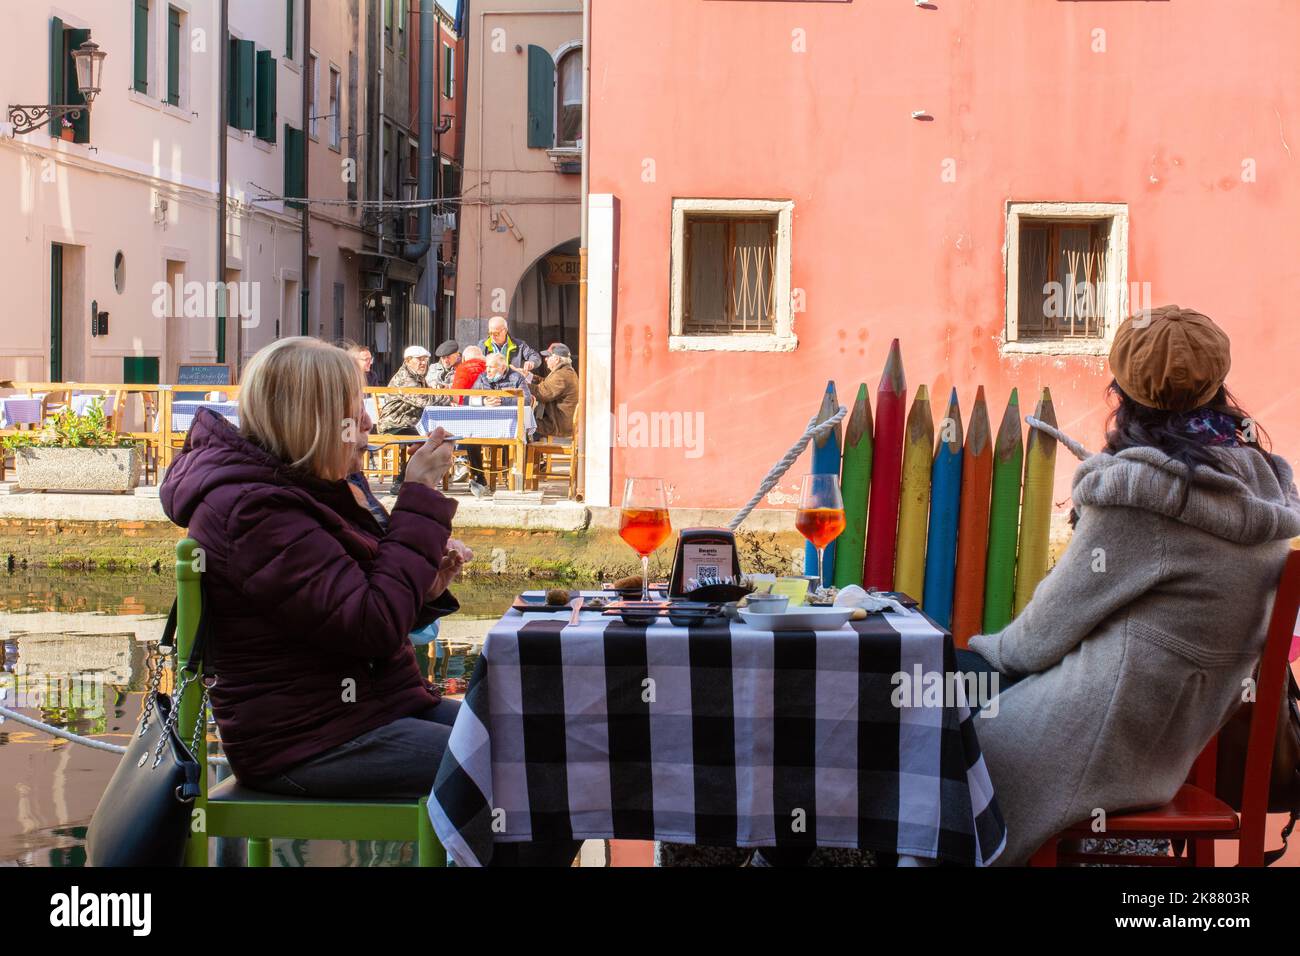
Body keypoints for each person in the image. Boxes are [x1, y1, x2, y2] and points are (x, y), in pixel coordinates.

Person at [158, 338, 579, 866]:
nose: (367, 420)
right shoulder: (253, 510)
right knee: (528, 771)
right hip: (309, 742)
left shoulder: (300, 488)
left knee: (549, 749)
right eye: (352, 408)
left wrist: (421, 591)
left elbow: (356, 609)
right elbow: (371, 623)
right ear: (311, 419)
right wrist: (419, 497)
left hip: (365, 714)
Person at [958, 306, 1300, 866]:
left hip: (1097, 737)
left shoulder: (1144, 494)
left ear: (1125, 387)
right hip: (1167, 743)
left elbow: (1038, 638)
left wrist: (979, 653)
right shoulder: (1262, 486)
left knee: (930, 720)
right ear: (1218, 383)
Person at [462, 353, 533, 498]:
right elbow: (467, 398)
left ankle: (511, 477)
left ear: (502, 368)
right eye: (486, 367)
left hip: (508, 424)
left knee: (513, 436)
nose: (487, 370)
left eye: (491, 367)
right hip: (485, 425)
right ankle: (479, 478)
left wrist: (502, 401)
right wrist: (484, 401)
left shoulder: (516, 378)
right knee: (470, 439)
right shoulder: (482, 378)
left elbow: (526, 400)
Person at [378, 345, 440, 492]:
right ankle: (401, 482)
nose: (423, 363)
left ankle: (412, 481)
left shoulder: (418, 377)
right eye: (419, 359)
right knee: (425, 441)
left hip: (410, 423)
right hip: (395, 424)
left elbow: (429, 397)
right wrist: (446, 396)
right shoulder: (405, 378)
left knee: (431, 439)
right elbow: (425, 401)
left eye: (425, 359)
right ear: (407, 360)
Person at [529, 343, 579, 440]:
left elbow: (541, 393)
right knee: (528, 421)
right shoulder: (565, 371)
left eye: (548, 356)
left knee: (525, 423)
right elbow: (548, 385)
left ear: (556, 359)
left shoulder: (562, 375)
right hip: (559, 421)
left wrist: (520, 383)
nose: (545, 359)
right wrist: (529, 377)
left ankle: (526, 454)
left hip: (558, 425)